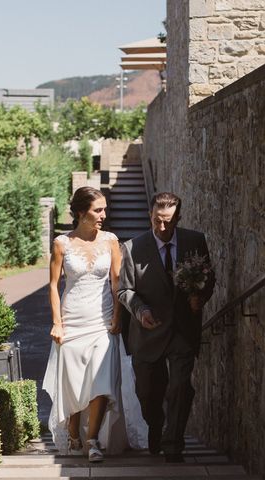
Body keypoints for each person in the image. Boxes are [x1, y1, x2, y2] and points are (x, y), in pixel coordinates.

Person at [42, 186, 146, 462]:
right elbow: (53, 286)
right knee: (74, 383)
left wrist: (116, 317)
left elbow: (116, 282)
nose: (103, 215)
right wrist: (57, 323)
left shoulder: (111, 240)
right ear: (80, 212)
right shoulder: (61, 244)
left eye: (104, 210)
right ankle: (74, 431)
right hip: (72, 320)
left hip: (102, 321)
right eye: (97, 210)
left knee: (101, 381)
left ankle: (93, 440)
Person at [118, 192, 215, 463]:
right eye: (157, 221)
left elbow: (208, 277)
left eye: (168, 222)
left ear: (178, 218)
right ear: (151, 216)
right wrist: (140, 310)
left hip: (183, 331)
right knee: (148, 393)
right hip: (148, 332)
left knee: (180, 388)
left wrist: (201, 296)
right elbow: (124, 289)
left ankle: (173, 445)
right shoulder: (132, 248)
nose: (162, 227)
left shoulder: (195, 241)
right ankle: (155, 424)